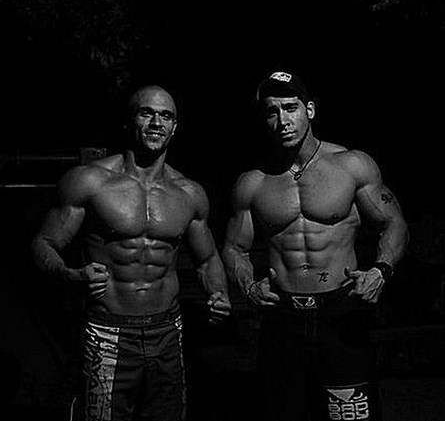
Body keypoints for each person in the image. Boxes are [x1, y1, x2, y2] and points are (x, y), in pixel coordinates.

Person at [31, 84, 231, 421]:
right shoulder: (89, 181)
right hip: (108, 331)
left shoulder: (189, 193)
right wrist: (70, 275)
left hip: (168, 332)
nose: (156, 122)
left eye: (166, 116)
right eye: (146, 113)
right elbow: (43, 243)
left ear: (174, 127)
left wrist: (219, 293)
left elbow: (208, 259)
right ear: (129, 121)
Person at [222, 70, 408, 421]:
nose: (282, 120)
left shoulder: (352, 165)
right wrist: (248, 287)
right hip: (282, 318)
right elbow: (234, 249)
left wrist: (381, 270)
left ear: (309, 110)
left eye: (290, 108)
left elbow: (393, 222)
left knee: (350, 416)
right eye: (272, 111)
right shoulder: (252, 183)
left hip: (341, 313)